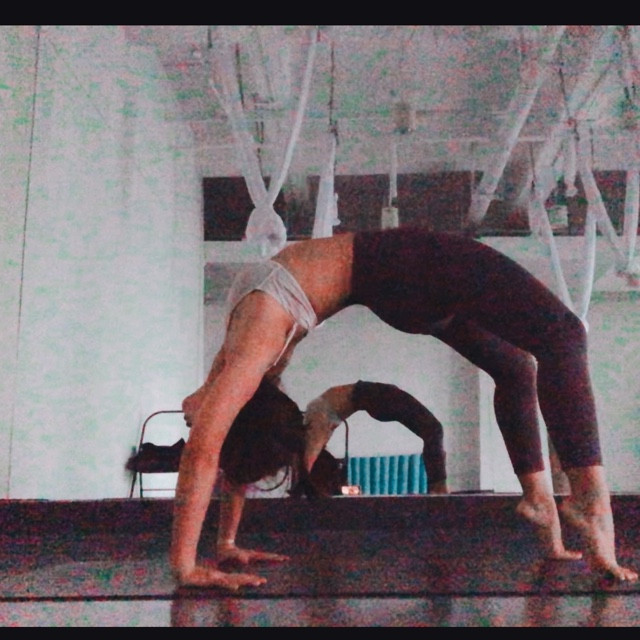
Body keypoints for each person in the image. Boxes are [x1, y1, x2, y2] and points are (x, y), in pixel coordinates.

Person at [173, 227, 638, 589]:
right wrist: (207, 553)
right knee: (562, 336)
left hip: (398, 280)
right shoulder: (243, 358)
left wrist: (200, 557)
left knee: (520, 366)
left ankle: (541, 500)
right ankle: (588, 503)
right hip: (401, 271)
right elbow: (223, 446)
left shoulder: (251, 352)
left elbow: (209, 449)